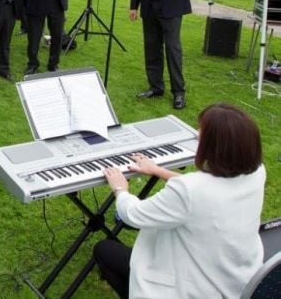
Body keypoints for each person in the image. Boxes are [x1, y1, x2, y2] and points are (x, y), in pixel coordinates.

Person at [94, 103, 265, 299]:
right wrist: (158, 170)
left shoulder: (189, 190)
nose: (196, 139)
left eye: (201, 138)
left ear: (214, 148)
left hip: (192, 289)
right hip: (237, 280)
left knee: (104, 250)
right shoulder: (257, 172)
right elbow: (206, 190)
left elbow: (133, 215)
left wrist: (120, 189)